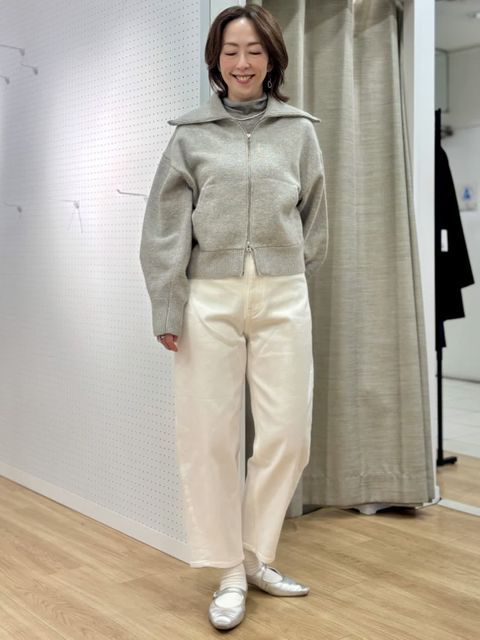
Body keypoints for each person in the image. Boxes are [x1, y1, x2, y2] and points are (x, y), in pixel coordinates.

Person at [140, 4, 328, 631]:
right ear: (215, 61)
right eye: (230, 51)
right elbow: (164, 230)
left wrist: (292, 270)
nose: (242, 62)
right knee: (209, 438)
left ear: (271, 57)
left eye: (253, 50)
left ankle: (254, 554)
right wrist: (168, 304)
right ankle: (227, 572)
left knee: (288, 436)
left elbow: (314, 214)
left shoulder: (300, 131)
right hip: (209, 299)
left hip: (282, 295)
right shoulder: (189, 136)